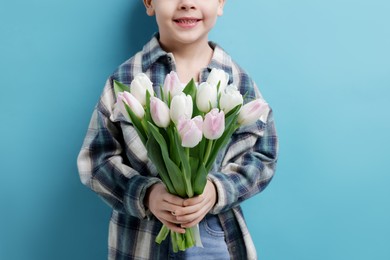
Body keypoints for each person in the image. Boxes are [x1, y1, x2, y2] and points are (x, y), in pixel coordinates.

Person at [77, 0, 278, 259]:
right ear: (149, 3)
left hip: (215, 237)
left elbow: (263, 156)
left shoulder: (236, 81)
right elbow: (96, 160)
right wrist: (146, 194)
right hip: (142, 241)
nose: (187, 3)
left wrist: (218, 190)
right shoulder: (126, 80)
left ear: (220, 3)